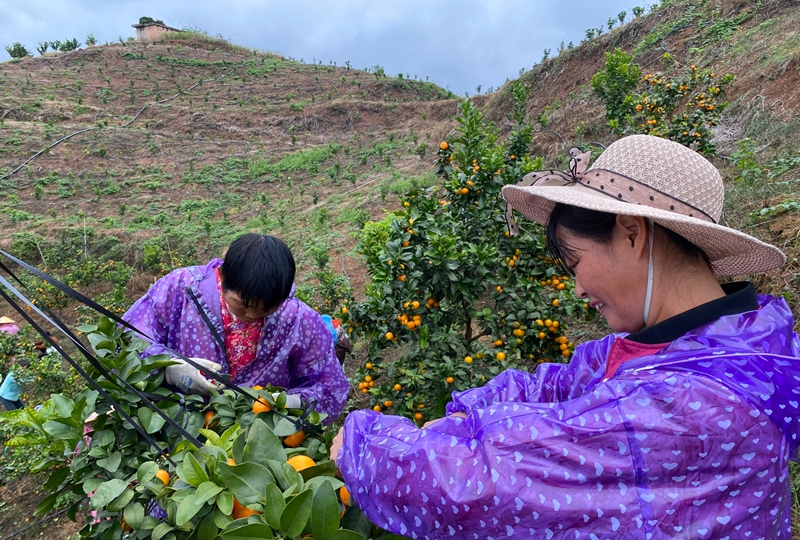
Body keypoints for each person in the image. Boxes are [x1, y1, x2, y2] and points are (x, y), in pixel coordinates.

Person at [332, 135, 800, 539]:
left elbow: (479, 485)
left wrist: (364, 448)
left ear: (632, 234)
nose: (577, 291)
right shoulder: (723, 344)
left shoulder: (695, 400)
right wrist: (460, 416)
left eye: (575, 264)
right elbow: (562, 382)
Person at [123, 234, 349, 421]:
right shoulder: (181, 289)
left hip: (255, 442)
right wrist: (169, 367)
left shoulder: (298, 318)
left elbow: (329, 388)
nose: (251, 316)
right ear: (222, 277)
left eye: (265, 310)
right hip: (173, 424)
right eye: (242, 305)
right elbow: (128, 338)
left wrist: (293, 402)